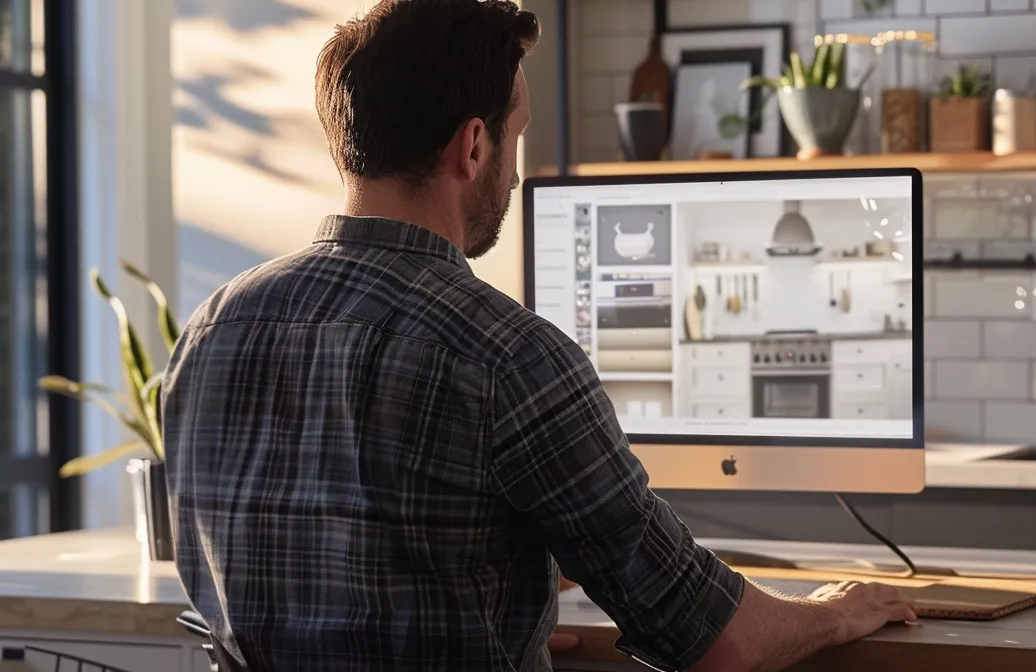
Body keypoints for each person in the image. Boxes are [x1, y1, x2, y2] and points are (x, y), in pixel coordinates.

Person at [160, 1, 915, 670]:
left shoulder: (212, 328)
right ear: (474, 145)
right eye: (517, 138)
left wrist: (501, 606)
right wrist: (838, 611)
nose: (515, 177)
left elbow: (320, 566)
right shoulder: (506, 355)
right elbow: (714, 639)